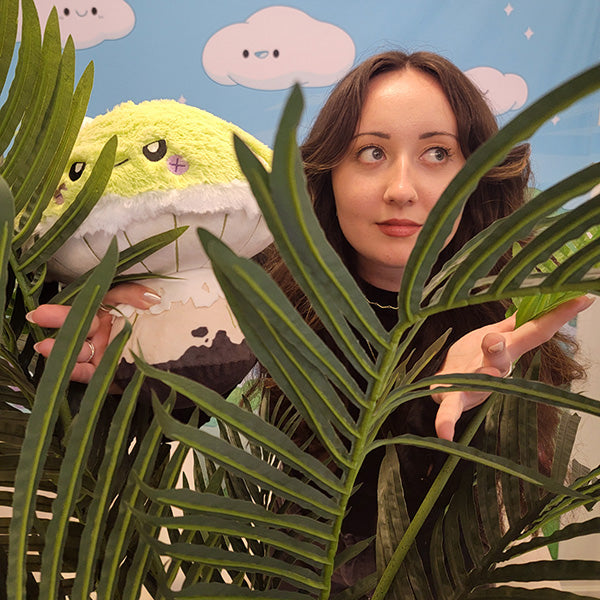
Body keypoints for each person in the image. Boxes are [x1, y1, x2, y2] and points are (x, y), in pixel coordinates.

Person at [27, 50, 592, 592]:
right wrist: (138, 365)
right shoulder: (244, 302)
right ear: (329, 172)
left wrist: (479, 400)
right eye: (371, 152)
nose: (401, 189)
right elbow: (157, 467)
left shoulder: (514, 327)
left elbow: (487, 537)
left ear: (478, 177)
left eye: (438, 153)